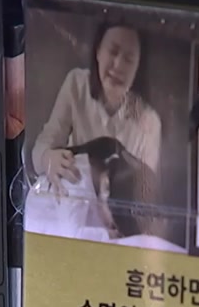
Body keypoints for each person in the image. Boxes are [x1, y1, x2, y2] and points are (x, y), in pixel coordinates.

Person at [29, 22, 161, 198]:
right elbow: (43, 146)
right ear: (98, 51)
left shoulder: (150, 121)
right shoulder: (76, 84)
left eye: (129, 59)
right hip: (73, 199)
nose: (118, 65)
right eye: (113, 51)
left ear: (138, 67)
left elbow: (147, 193)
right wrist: (48, 159)